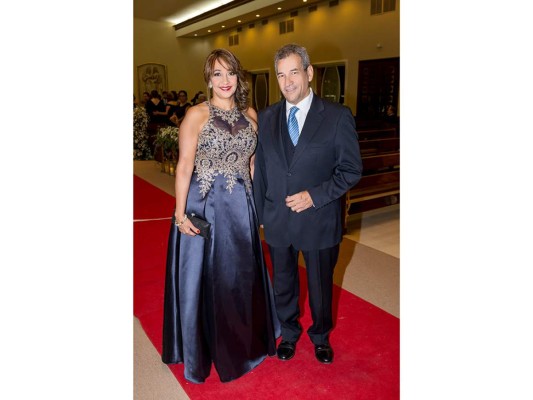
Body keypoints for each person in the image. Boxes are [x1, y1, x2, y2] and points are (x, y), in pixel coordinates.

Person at [162, 48, 280, 383]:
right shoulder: (196, 114)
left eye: (230, 73)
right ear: (208, 78)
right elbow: (184, 166)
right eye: (217, 74)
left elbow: (253, 165)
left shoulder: (251, 113)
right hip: (205, 206)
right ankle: (203, 347)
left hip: (241, 208)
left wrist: (257, 207)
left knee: (239, 276)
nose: (225, 81)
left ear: (238, 76)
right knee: (206, 278)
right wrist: (179, 214)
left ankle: (242, 341)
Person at [253, 43, 363, 365]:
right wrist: (259, 216)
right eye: (281, 75)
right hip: (277, 220)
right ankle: (288, 333)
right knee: (283, 285)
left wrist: (314, 195)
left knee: (320, 288)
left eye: (294, 73)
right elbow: (261, 173)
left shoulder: (337, 117)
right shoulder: (268, 117)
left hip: (319, 220)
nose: (287, 82)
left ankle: (320, 336)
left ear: (309, 72)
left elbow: (351, 170)